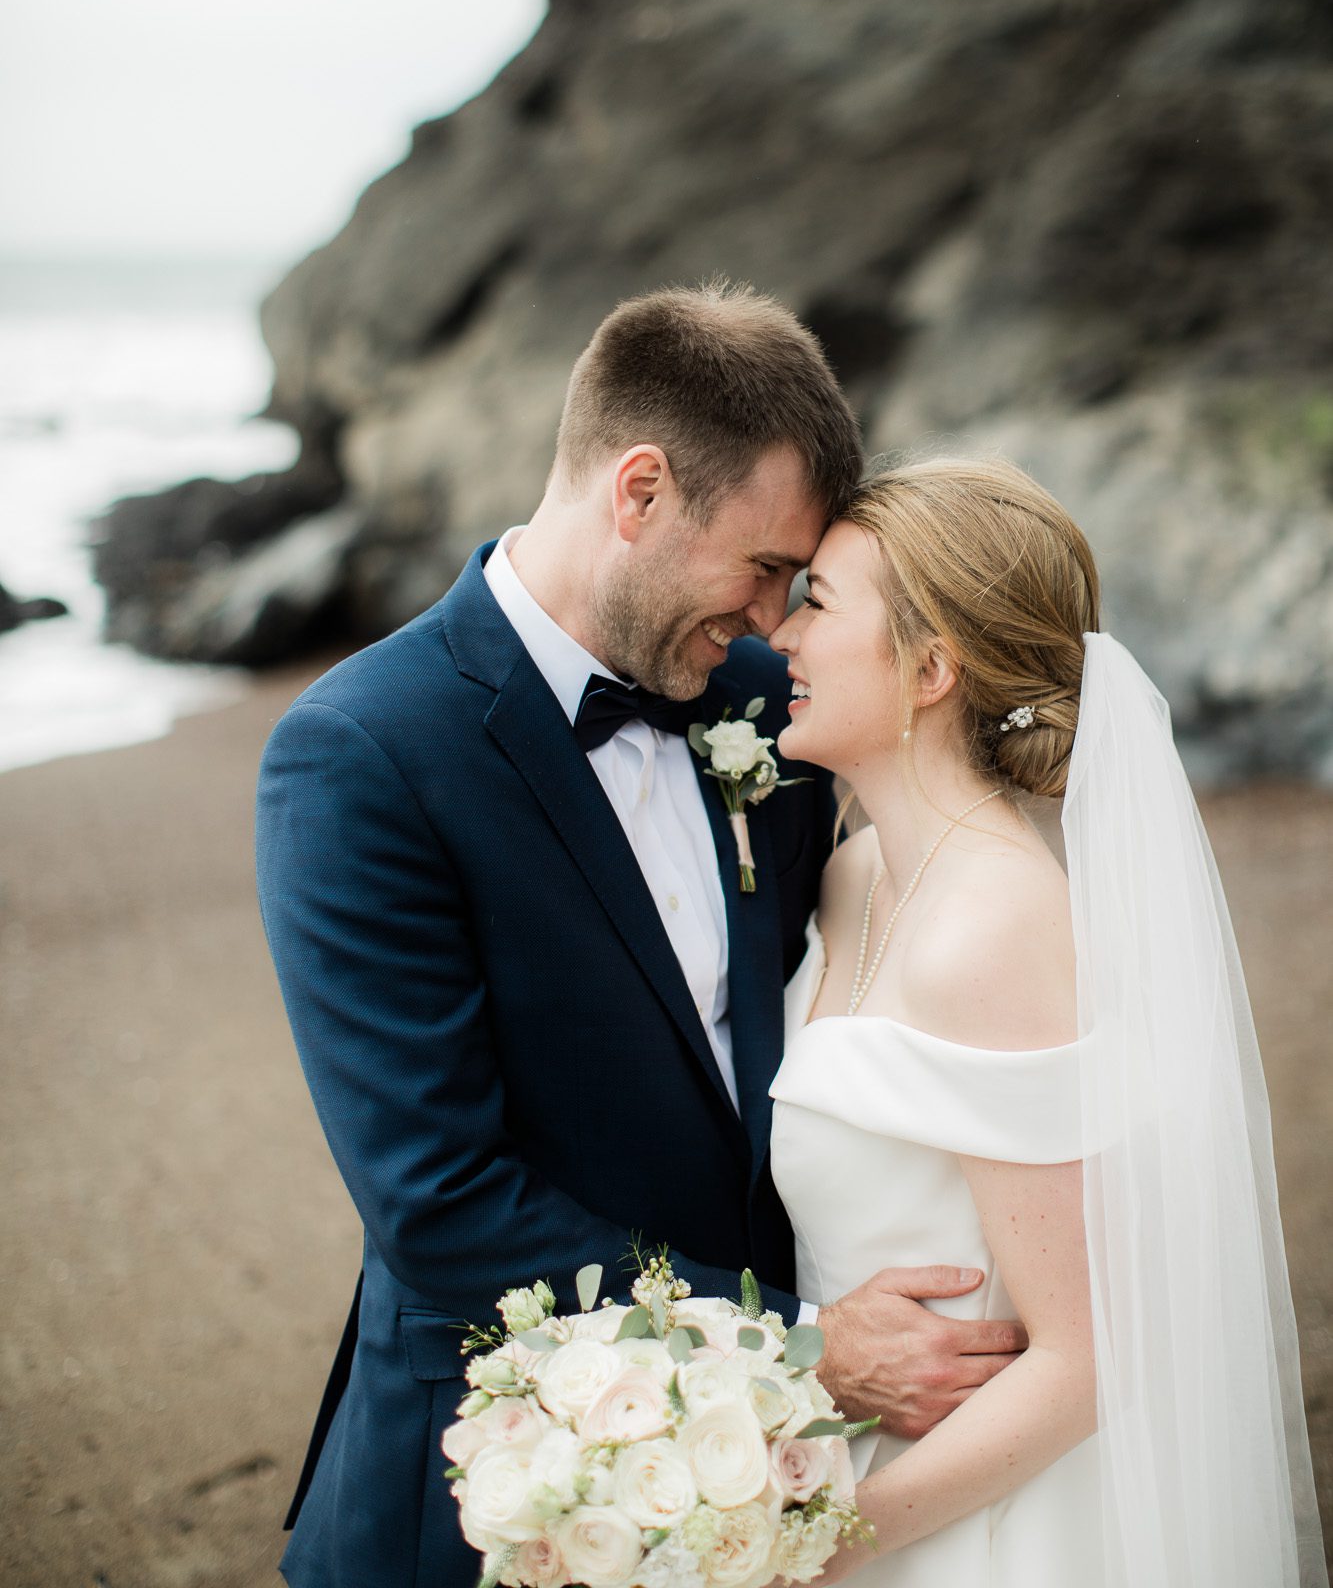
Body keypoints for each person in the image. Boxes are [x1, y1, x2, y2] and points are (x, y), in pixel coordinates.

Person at [256, 286, 1029, 1588]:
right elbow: (441, 1204)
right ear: (639, 490)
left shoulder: (754, 700)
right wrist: (798, 1344)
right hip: (502, 1474)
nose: (777, 619)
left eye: (800, 589)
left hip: (769, 1480)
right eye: (766, 570)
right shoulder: (361, 757)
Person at [768, 456, 1325, 1587]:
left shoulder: (994, 927)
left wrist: (823, 1547)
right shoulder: (854, 873)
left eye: (816, 603)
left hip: (978, 1524)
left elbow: (1086, 1357)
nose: (777, 637)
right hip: (857, 1455)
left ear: (929, 667)